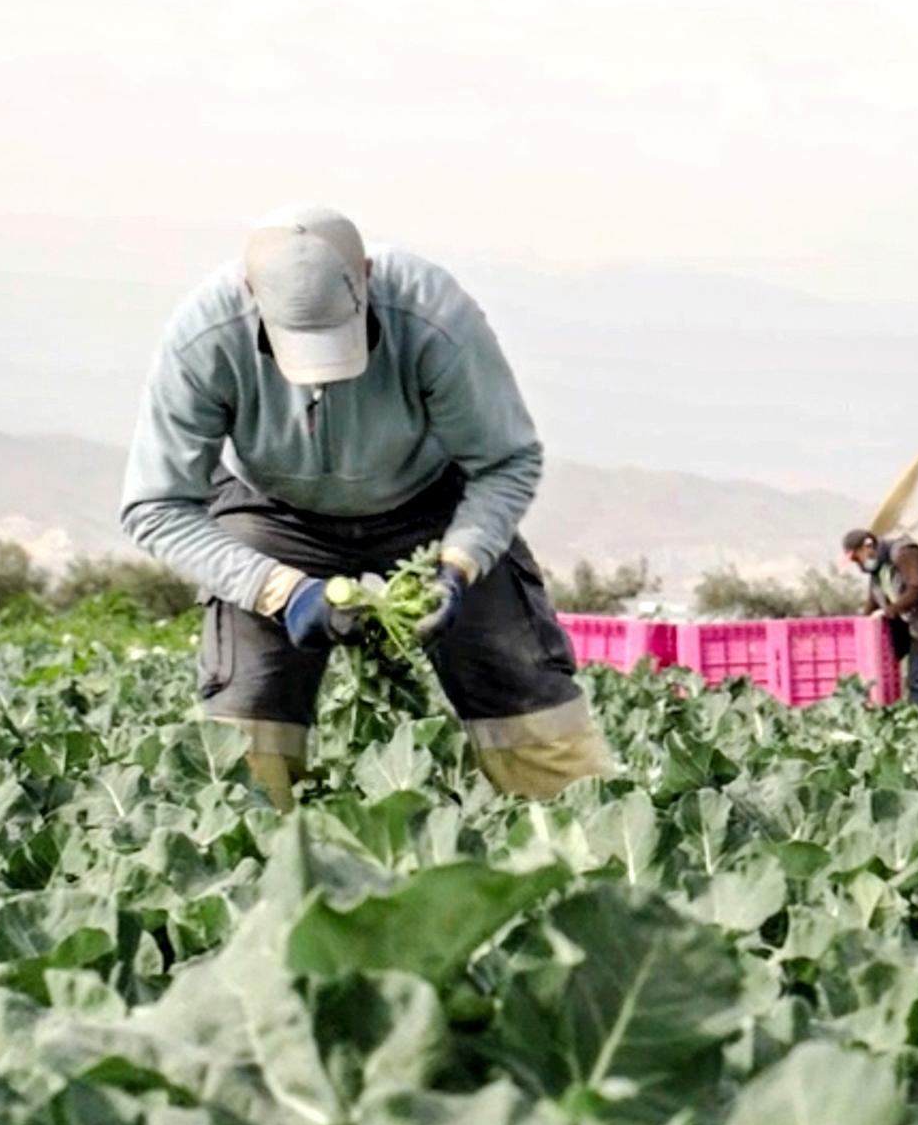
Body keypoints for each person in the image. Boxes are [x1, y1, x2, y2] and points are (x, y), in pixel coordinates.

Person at [120, 204, 611, 806]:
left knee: (516, 681)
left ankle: (582, 843)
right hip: (274, 513)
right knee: (248, 714)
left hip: (431, 505)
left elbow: (505, 461)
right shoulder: (204, 337)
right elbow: (156, 505)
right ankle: (254, 851)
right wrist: (278, 590)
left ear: (368, 274)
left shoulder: (433, 316)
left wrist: (460, 564)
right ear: (250, 291)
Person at [843, 528, 918, 705]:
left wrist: (891, 610)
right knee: (916, 680)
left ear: (868, 546)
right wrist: (860, 627)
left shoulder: (904, 552)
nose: (858, 563)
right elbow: (873, 603)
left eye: (857, 557)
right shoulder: (878, 572)